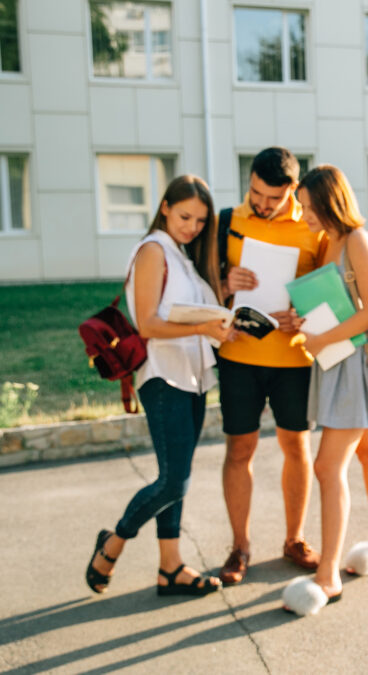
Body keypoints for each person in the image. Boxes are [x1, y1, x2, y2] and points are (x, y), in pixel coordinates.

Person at [85, 175, 233, 596]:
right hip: (164, 377)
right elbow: (148, 322)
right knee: (173, 481)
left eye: (201, 221)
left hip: (192, 376)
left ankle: (171, 569)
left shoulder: (181, 255)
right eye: (185, 216)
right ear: (165, 207)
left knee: (178, 475)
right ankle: (111, 544)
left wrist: (224, 296)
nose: (192, 226)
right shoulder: (153, 250)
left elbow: (186, 308)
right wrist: (207, 324)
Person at [280, 165, 368, 615]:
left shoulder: (356, 239)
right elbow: (337, 303)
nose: (303, 213)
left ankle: (328, 574)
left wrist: (318, 339)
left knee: (326, 466)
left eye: (309, 206)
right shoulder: (328, 242)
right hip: (339, 362)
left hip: (353, 366)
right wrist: (304, 322)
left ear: (329, 203)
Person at [217, 147, 328, 584]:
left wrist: (301, 313)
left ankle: (294, 539)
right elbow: (202, 283)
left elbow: (327, 293)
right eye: (256, 194)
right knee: (239, 450)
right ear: (249, 181)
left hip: (293, 356)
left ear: (292, 192)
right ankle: (239, 546)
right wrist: (225, 282)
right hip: (237, 357)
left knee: (295, 447)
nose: (263, 205)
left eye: (273, 199)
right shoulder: (227, 221)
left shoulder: (311, 227)